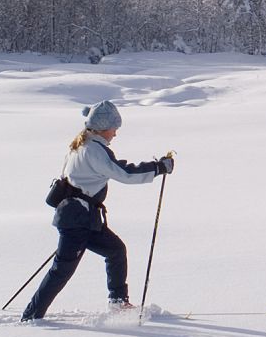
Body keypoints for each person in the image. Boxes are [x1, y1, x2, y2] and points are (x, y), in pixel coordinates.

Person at [21, 100, 173, 322]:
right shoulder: (93, 150)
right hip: (77, 220)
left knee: (115, 251)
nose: (115, 134)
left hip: (83, 218)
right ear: (102, 127)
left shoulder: (82, 145)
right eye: (114, 128)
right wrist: (158, 168)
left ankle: (118, 302)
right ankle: (31, 316)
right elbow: (124, 173)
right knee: (62, 270)